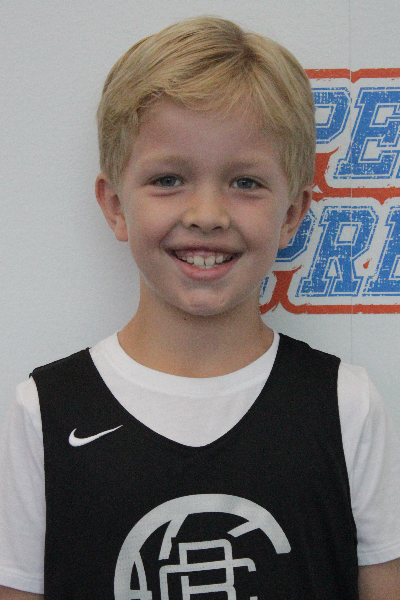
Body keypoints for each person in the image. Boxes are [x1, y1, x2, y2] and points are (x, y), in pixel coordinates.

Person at [1, 16, 400, 600]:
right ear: (115, 205)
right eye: (169, 179)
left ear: (293, 213)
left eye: (245, 182)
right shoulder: (46, 410)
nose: (207, 215)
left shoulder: (346, 404)